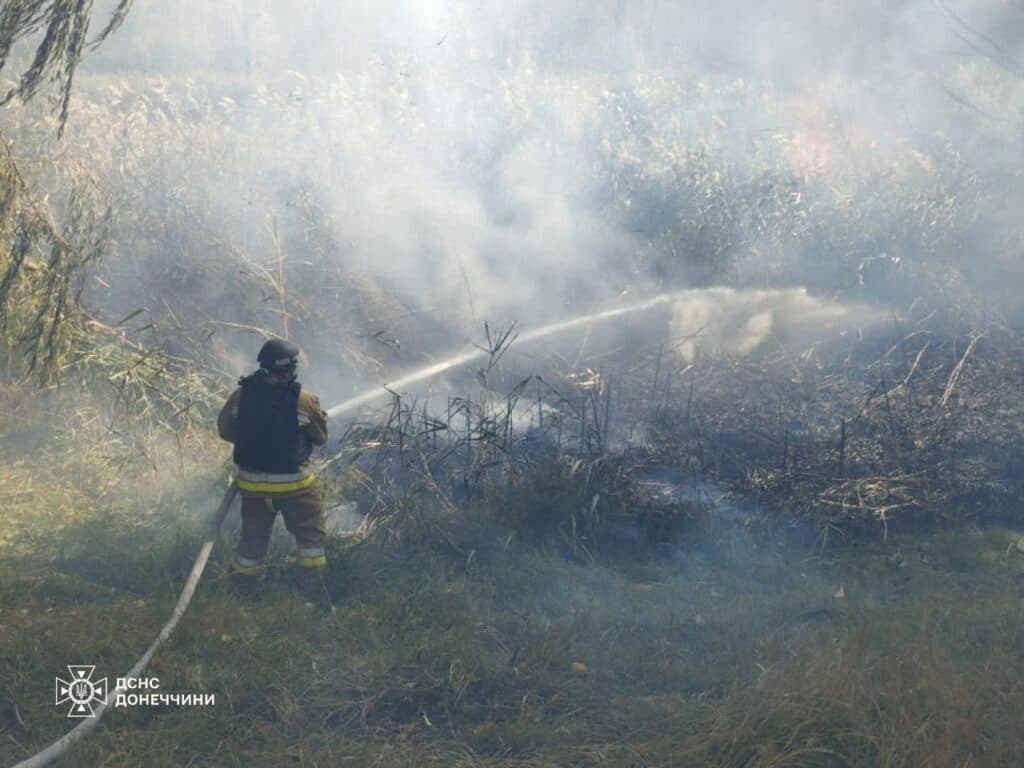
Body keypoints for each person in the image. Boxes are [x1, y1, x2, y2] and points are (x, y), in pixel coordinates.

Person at [217, 338, 330, 606]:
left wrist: (255, 441)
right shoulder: (303, 400)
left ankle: (242, 593)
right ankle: (311, 593)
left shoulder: (241, 395)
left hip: (253, 487)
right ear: (290, 368)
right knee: (310, 537)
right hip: (295, 488)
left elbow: (225, 430)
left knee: (252, 539)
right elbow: (320, 438)